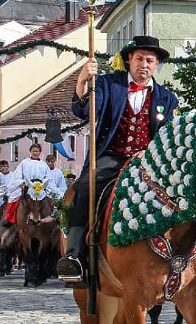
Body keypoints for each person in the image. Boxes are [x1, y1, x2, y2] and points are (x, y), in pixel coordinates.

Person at [56, 35, 178, 282]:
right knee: (84, 189)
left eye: (150, 61)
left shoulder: (167, 97)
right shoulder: (108, 85)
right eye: (139, 59)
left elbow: (167, 134)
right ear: (129, 60)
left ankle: (186, 254)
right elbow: (85, 110)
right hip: (112, 156)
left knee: (184, 191)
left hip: (150, 162)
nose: (144, 65)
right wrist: (82, 82)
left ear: (156, 66)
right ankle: (74, 255)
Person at [6, 143, 51, 225]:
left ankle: (52, 220)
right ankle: (10, 219)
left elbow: (48, 176)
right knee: (13, 197)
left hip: (40, 188)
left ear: (39, 152)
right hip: (27, 187)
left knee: (52, 198)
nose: (35, 153)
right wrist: (21, 182)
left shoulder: (44, 164)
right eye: (33, 151)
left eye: (37, 151)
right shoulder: (24, 162)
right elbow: (17, 175)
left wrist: (44, 184)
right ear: (30, 151)